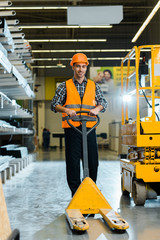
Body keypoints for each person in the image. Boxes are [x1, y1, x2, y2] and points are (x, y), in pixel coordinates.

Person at [51, 53, 107, 197]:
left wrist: (97, 109)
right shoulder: (65, 86)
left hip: (89, 129)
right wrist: (66, 109)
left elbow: (103, 103)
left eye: (83, 66)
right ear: (73, 67)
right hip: (72, 129)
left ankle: (91, 192)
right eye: (78, 66)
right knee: (73, 163)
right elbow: (54, 104)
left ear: (86, 68)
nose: (80, 70)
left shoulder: (94, 86)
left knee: (93, 161)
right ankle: (76, 194)